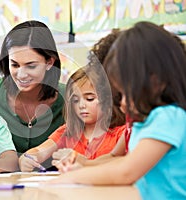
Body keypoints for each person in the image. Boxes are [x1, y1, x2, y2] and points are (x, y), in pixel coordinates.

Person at [48, 21, 186, 199]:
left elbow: (126, 171)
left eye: (126, 93)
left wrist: (73, 177)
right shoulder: (146, 122)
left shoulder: (169, 117)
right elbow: (120, 161)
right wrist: (82, 167)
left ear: (155, 82)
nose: (121, 104)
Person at [19, 61, 126, 172]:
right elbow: (39, 151)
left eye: (89, 99)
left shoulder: (122, 133)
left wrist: (84, 163)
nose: (81, 105)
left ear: (108, 99)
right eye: (75, 100)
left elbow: (125, 165)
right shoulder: (67, 131)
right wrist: (27, 158)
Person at [0, 20, 65, 154]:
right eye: (15, 65)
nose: (21, 75)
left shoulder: (72, 97)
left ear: (49, 62)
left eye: (31, 66)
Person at [52, 29, 127, 169]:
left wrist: (82, 165)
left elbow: (128, 168)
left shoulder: (163, 119)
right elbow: (114, 157)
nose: (121, 102)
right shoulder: (132, 125)